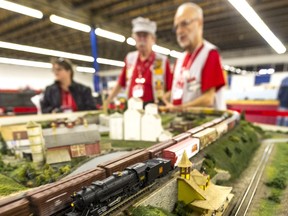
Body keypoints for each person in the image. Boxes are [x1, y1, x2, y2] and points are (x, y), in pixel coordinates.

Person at [164, 2, 226, 110]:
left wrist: (179, 108)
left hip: (205, 123)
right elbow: (181, 89)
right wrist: (165, 97)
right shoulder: (180, 59)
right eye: (176, 27)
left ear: (199, 23)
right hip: (182, 121)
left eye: (184, 23)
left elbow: (208, 99)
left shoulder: (209, 54)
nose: (179, 31)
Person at [105, 17, 173, 108]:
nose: (141, 39)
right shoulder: (130, 58)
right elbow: (120, 83)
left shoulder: (162, 60)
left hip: (153, 107)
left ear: (153, 39)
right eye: (138, 35)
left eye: (145, 35)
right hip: (131, 106)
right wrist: (107, 101)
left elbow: (171, 89)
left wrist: (163, 100)